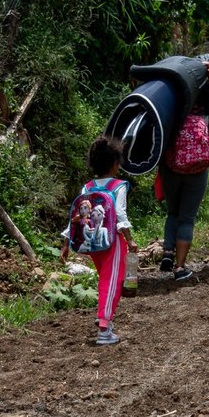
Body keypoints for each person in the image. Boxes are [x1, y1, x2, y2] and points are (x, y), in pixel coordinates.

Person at [60, 136, 137, 345]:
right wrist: (129, 240)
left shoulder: (88, 187)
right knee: (113, 281)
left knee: (105, 278)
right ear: (115, 164)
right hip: (113, 241)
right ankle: (104, 327)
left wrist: (66, 243)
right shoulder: (118, 186)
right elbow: (120, 214)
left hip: (93, 244)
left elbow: (77, 215)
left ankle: (105, 321)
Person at [159, 59, 209, 281]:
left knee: (173, 213)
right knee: (187, 218)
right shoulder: (205, 115)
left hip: (171, 169)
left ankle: (167, 252)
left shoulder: (171, 115)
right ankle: (179, 268)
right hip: (197, 171)